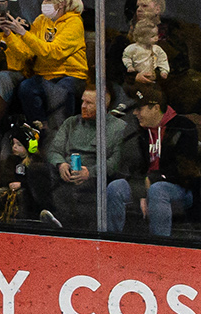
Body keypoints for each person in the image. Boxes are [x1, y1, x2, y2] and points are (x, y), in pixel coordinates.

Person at [106, 86, 200, 236]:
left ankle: (160, 247)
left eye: (139, 109)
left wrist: (153, 180)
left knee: (158, 191)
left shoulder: (183, 126)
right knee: (116, 187)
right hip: (147, 185)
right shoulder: (139, 131)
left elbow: (186, 170)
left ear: (155, 108)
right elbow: (133, 167)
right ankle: (111, 241)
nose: (135, 113)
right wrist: (143, 191)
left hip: (181, 189)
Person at [2, 0, 88, 128]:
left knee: (61, 91)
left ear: (61, 4)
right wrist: (10, 35)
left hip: (71, 74)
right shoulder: (41, 20)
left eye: (48, 0)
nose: (43, 3)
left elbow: (53, 53)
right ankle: (40, 128)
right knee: (26, 87)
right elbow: (27, 52)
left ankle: (62, 131)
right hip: (45, 74)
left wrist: (24, 33)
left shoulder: (74, 23)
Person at [42, 88, 121, 228]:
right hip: (67, 171)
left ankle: (63, 222)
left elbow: (115, 162)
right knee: (38, 170)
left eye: (89, 103)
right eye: (82, 101)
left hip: (94, 176)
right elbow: (54, 150)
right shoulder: (71, 123)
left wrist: (90, 172)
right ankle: (53, 217)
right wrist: (60, 164)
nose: (83, 106)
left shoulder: (117, 127)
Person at [123, 16, 172, 87]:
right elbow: (126, 57)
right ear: (141, 37)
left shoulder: (157, 49)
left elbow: (163, 59)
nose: (156, 38)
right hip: (136, 80)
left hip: (153, 78)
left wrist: (164, 71)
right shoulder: (132, 48)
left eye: (156, 35)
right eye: (152, 36)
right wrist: (129, 66)